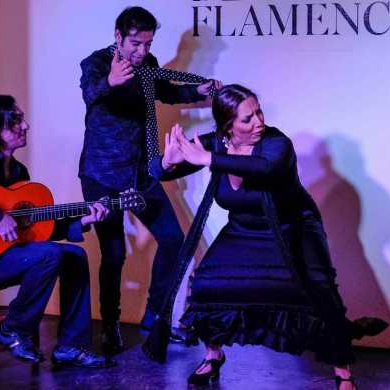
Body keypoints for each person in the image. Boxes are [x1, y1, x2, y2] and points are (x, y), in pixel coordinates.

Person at [149, 84, 387, 390]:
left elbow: (264, 167)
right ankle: (213, 355)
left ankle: (343, 372)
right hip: (244, 229)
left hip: (294, 225)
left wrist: (207, 158)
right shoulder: (215, 145)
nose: (258, 121)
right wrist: (168, 161)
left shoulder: (277, 143)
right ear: (228, 125)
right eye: (247, 118)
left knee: (318, 290)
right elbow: (159, 170)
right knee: (208, 283)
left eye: (258, 112)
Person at [78, 5, 222, 355]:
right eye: (135, 43)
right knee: (113, 254)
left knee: (174, 240)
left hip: (141, 172)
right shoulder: (95, 64)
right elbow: (90, 93)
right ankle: (110, 326)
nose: (141, 51)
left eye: (147, 43)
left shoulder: (149, 63)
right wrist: (110, 81)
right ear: (118, 36)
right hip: (103, 174)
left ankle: (155, 316)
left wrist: (199, 92)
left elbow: (167, 92)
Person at [0, 95, 112, 368]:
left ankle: (71, 346)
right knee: (49, 255)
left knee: (74, 256)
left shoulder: (18, 171)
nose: (26, 125)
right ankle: (12, 328)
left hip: (1, 256)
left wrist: (82, 221)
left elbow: (34, 232)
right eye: (17, 120)